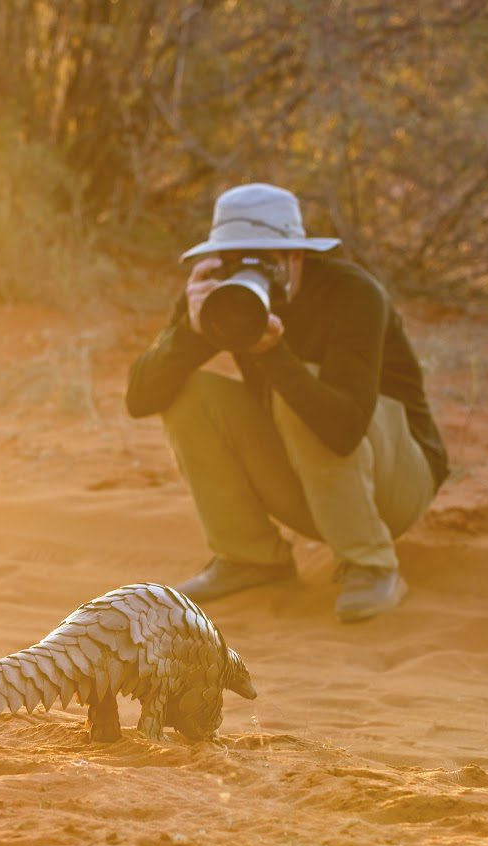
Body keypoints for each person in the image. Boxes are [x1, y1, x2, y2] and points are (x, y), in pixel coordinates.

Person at [125, 183, 448, 622]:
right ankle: (250, 557)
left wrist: (273, 355)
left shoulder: (353, 294)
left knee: (298, 395)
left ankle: (372, 565)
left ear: (296, 257)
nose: (250, 273)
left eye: (265, 260)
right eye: (238, 261)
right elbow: (140, 399)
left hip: (396, 482)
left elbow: (344, 428)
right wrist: (190, 331)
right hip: (312, 483)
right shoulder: (220, 297)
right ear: (217, 261)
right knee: (189, 394)